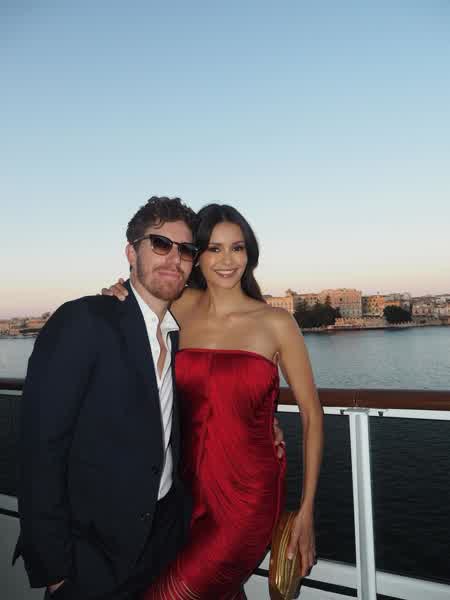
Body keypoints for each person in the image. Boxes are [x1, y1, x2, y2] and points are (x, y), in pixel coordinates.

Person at [103, 203, 324, 599]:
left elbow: (312, 415)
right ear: (195, 255)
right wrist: (118, 290)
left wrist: (306, 511)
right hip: (182, 493)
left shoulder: (276, 323)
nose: (227, 260)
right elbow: (134, 304)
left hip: (247, 499)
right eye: (214, 249)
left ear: (249, 254)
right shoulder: (177, 307)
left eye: (237, 248)